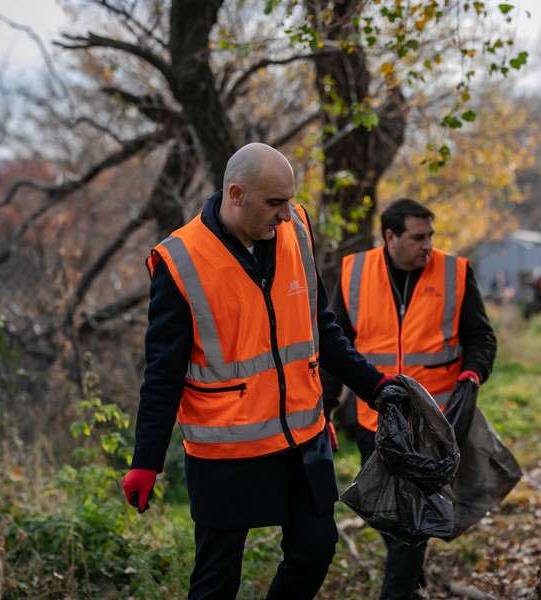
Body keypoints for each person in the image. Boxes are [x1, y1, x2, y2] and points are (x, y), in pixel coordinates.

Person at [120, 142, 407, 600]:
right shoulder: (180, 261)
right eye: (275, 203)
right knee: (217, 580)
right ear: (236, 194)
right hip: (226, 450)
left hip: (302, 436)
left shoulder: (296, 231)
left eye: (289, 200)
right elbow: (162, 373)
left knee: (316, 548)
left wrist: (374, 386)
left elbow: (321, 328)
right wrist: (146, 462)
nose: (285, 214)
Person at [321, 198, 498, 600]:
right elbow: (334, 351)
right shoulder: (354, 273)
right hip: (374, 422)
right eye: (418, 237)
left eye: (431, 236)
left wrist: (474, 371)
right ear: (391, 237)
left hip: (435, 426)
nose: (428, 245)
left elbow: (481, 338)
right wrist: (325, 409)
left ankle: (398, 593)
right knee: (391, 517)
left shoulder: (455, 272)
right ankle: (414, 586)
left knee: (411, 522)